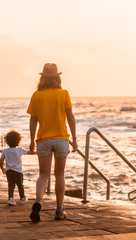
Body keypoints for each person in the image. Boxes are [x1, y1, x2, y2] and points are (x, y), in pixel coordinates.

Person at [27, 63, 78, 223]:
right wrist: (74, 139)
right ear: (57, 78)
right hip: (62, 139)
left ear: (42, 78)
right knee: (60, 174)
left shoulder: (37, 95)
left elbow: (33, 119)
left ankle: (38, 201)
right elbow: (70, 117)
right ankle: (59, 209)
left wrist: (31, 141)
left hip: (44, 139)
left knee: (44, 175)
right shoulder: (64, 94)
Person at [0, 130, 31, 206]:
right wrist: (39, 151)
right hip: (18, 171)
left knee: (11, 185)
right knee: (20, 185)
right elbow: (30, 152)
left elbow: (0, 162)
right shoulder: (20, 150)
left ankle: (10, 199)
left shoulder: (5, 151)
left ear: (7, 141)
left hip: (9, 171)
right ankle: (22, 198)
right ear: (18, 140)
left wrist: (2, 168)